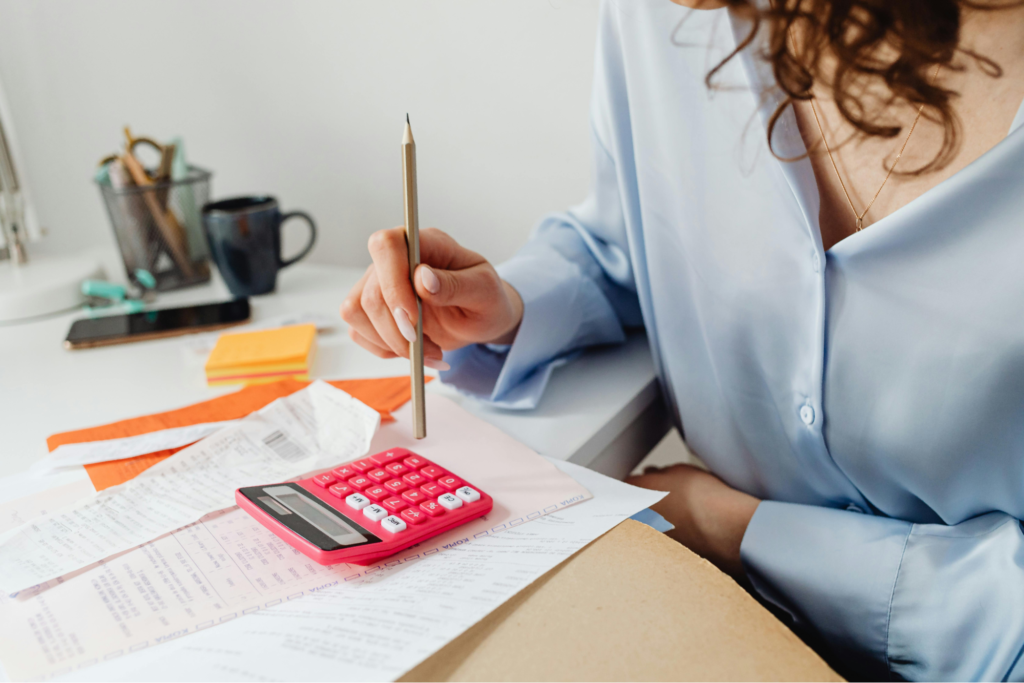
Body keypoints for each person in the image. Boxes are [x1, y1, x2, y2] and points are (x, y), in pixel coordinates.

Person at [341, 0, 1024, 679]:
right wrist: (511, 307)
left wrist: (743, 531)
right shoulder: (662, 18)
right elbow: (628, 239)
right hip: (711, 608)